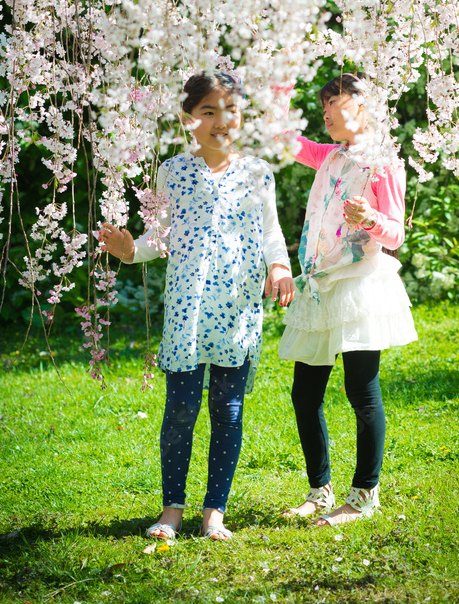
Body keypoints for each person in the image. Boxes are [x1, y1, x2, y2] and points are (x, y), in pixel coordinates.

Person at [99, 71, 293, 542]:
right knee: (181, 409)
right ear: (188, 118)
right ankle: (172, 509)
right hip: (188, 306)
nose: (221, 121)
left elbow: (271, 232)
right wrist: (131, 251)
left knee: (228, 410)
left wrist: (279, 267)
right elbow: (161, 235)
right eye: (208, 111)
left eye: (230, 110)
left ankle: (215, 512)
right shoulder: (173, 171)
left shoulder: (258, 172)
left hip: (238, 305)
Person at [278, 73, 417, 526]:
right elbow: (284, 140)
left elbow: (395, 234)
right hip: (320, 283)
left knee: (361, 390)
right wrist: (279, 87)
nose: (326, 113)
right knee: (305, 395)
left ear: (363, 104)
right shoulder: (330, 155)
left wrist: (371, 218)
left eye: (333, 103)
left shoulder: (384, 163)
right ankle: (319, 492)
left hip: (359, 283)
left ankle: (363, 496)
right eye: (323, 107)